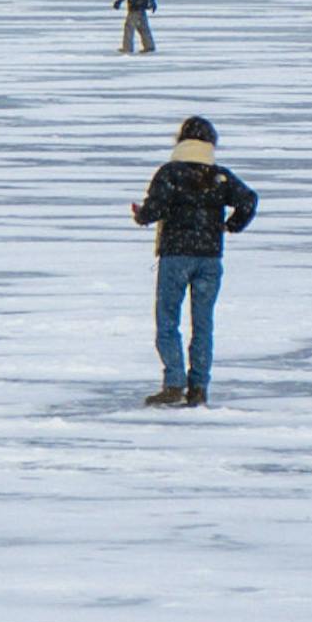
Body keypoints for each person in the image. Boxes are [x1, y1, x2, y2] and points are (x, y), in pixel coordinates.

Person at [130, 116, 256, 405]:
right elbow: (248, 200)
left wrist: (141, 215)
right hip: (209, 258)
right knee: (203, 323)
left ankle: (174, 383)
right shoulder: (219, 176)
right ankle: (198, 387)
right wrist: (231, 225)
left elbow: (154, 210)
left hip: (175, 255)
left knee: (167, 320)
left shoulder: (170, 173)